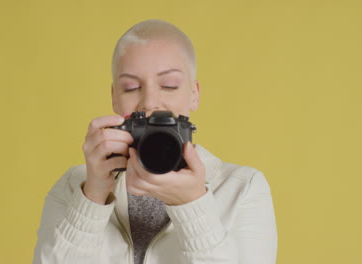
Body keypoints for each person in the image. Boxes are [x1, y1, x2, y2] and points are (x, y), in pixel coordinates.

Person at [33, 19, 277, 264]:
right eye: (130, 88)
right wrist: (93, 195)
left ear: (194, 94)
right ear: (114, 98)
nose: (149, 102)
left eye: (169, 85)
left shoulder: (242, 188)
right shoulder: (74, 186)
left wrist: (192, 204)